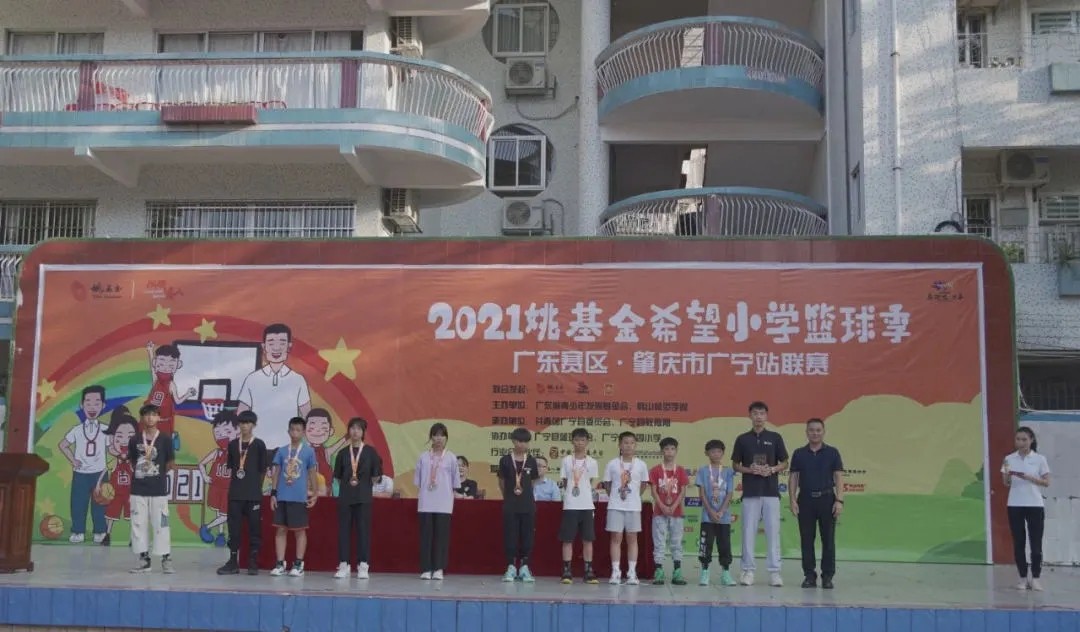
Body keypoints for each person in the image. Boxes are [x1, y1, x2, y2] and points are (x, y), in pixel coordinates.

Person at [731, 400, 789, 587]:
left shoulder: (775, 437)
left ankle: (775, 572)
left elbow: (784, 462)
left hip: (771, 492)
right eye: (755, 413)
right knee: (748, 532)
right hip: (750, 493)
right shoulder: (742, 439)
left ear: (766, 416)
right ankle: (748, 570)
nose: (759, 417)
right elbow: (735, 465)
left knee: (773, 532)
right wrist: (750, 470)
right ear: (750, 415)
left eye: (762, 413)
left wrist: (771, 469)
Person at [788, 418, 845, 589]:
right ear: (806, 432)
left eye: (818, 430)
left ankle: (827, 576)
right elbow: (793, 477)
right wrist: (792, 499)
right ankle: (809, 576)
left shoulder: (832, 453)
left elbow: (838, 477)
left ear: (823, 432)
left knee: (828, 540)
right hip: (805, 500)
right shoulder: (799, 453)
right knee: (806, 539)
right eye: (811, 430)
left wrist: (839, 500)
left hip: (827, 499)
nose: (815, 433)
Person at [237, 324, 312, 450]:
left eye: (282, 343)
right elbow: (242, 413)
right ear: (264, 346)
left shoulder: (297, 379)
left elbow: (306, 415)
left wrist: (306, 443)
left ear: (289, 346)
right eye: (271, 343)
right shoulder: (252, 379)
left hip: (289, 447)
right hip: (256, 446)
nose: (276, 348)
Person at [217, 411, 269, 576]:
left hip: (253, 495)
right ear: (238, 425)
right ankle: (233, 561)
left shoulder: (259, 444)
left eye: (248, 423)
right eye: (242, 423)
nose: (245, 426)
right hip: (235, 494)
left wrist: (256, 488)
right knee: (234, 529)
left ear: (254, 425)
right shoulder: (233, 445)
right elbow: (232, 468)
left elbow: (262, 470)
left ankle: (253, 561)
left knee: (255, 528)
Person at [333, 417, 383, 580]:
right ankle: (343, 564)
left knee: (363, 532)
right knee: (344, 532)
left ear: (363, 432)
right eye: (352, 428)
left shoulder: (370, 452)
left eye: (358, 429)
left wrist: (363, 486)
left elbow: (376, 476)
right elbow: (338, 477)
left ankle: (363, 565)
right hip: (345, 498)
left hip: (363, 499)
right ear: (348, 431)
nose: (355, 431)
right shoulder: (342, 453)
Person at [128, 404, 176, 574]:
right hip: (138, 489)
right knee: (138, 524)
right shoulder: (134, 440)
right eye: (147, 415)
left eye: (153, 414)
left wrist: (156, 473)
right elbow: (132, 461)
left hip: (158, 490)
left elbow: (170, 463)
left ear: (158, 417)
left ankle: (166, 559)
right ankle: (144, 560)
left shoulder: (165, 439)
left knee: (161, 524)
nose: (150, 418)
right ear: (142, 418)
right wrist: (143, 472)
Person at [1002, 426, 1051, 591]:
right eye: (1018, 439)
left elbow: (1047, 482)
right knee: (1019, 543)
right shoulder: (1009, 459)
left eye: (1024, 439)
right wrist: (1007, 476)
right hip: (1015, 504)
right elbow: (1006, 483)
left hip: (1035, 505)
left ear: (1031, 440)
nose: (1021, 442)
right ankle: (1022, 578)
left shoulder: (1039, 459)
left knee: (1036, 544)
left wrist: (1030, 478)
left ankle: (1035, 578)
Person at [58, 385, 109, 544]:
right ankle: (77, 531)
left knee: (99, 504)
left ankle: (100, 531)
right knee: (78, 503)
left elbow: (114, 447)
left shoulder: (106, 429)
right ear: (82, 405)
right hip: (80, 473)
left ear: (103, 405)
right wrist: (73, 460)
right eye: (88, 403)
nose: (92, 407)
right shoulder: (77, 430)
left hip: (100, 473)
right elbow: (63, 445)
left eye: (96, 403)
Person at [268, 417, 318, 577]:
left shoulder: (308, 451)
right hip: (282, 496)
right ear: (288, 431)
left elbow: (312, 473)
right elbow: (276, 473)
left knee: (299, 531)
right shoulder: (282, 451)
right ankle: (280, 563)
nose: (295, 433)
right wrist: (273, 493)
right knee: (280, 530)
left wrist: (315, 493)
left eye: (298, 430)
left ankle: (298, 563)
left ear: (303, 432)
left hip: (299, 498)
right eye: (292, 430)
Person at [414, 423, 460, 580]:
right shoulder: (423, 457)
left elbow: (455, 482)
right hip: (426, 501)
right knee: (426, 536)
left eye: (442, 435)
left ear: (446, 438)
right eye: (436, 435)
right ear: (431, 437)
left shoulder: (451, 457)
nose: (439, 438)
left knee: (441, 537)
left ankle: (439, 568)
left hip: (444, 503)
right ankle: (426, 569)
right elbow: (418, 481)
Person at [603, 431, 649, 585]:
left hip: (634, 507)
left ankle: (631, 572)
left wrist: (633, 496)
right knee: (616, 538)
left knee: (632, 539)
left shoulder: (641, 464)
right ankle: (616, 572)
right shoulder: (612, 464)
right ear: (619, 445)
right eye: (625, 443)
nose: (628, 446)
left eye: (632, 443)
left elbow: (643, 485)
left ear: (635, 445)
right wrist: (616, 497)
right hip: (615, 506)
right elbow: (607, 484)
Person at [498, 427, 540, 582]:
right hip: (510, 505)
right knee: (510, 535)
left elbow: (533, 482)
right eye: (519, 441)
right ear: (513, 441)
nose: (522, 444)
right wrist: (509, 496)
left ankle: (524, 566)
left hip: (527, 505)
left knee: (527, 536)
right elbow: (502, 482)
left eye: (525, 442)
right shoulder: (505, 460)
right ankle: (511, 566)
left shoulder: (531, 461)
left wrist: (524, 494)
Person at [559, 427, 600, 584]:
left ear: (587, 442)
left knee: (588, 539)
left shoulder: (592, 462)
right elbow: (564, 481)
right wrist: (572, 490)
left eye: (583, 440)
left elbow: (591, 482)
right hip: (570, 505)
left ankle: (588, 571)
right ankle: (567, 571)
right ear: (572, 441)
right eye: (577, 440)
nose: (580, 443)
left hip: (587, 505)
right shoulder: (566, 460)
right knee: (567, 539)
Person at [649, 436, 689, 585]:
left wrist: (673, 506)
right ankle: (658, 571)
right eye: (666, 449)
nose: (669, 452)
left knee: (676, 542)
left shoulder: (680, 470)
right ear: (662, 451)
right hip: (659, 512)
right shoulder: (655, 470)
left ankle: (677, 572)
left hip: (676, 513)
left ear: (676, 451)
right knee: (659, 542)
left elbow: (682, 491)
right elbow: (654, 491)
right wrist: (663, 506)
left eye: (672, 449)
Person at [695, 439, 736, 587]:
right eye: (713, 451)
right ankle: (705, 572)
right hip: (708, 516)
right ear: (707, 453)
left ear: (723, 453)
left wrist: (722, 511)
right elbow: (702, 494)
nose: (716, 454)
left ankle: (726, 573)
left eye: (719, 451)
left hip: (723, 516)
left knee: (724, 544)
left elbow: (730, 493)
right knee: (706, 544)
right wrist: (711, 511)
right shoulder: (703, 471)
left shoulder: (728, 471)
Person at [97, 407, 138, 547]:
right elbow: (105, 470)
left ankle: (133, 537)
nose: (124, 441)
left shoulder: (133, 462)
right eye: (119, 437)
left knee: (132, 515)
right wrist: (98, 485)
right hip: (115, 493)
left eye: (130, 437)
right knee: (111, 515)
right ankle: (107, 534)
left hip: (130, 494)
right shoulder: (114, 461)